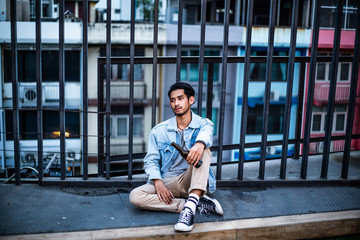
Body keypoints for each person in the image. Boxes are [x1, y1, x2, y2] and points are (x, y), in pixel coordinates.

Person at [129, 82, 223, 232]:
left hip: (191, 180)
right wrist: (158, 182)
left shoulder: (204, 124)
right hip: (168, 182)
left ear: (191, 100)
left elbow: (206, 134)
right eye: (172, 100)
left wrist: (199, 144)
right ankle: (190, 205)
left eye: (180, 98)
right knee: (136, 196)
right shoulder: (159, 131)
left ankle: (188, 212)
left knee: (204, 149)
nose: (176, 103)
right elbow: (151, 160)